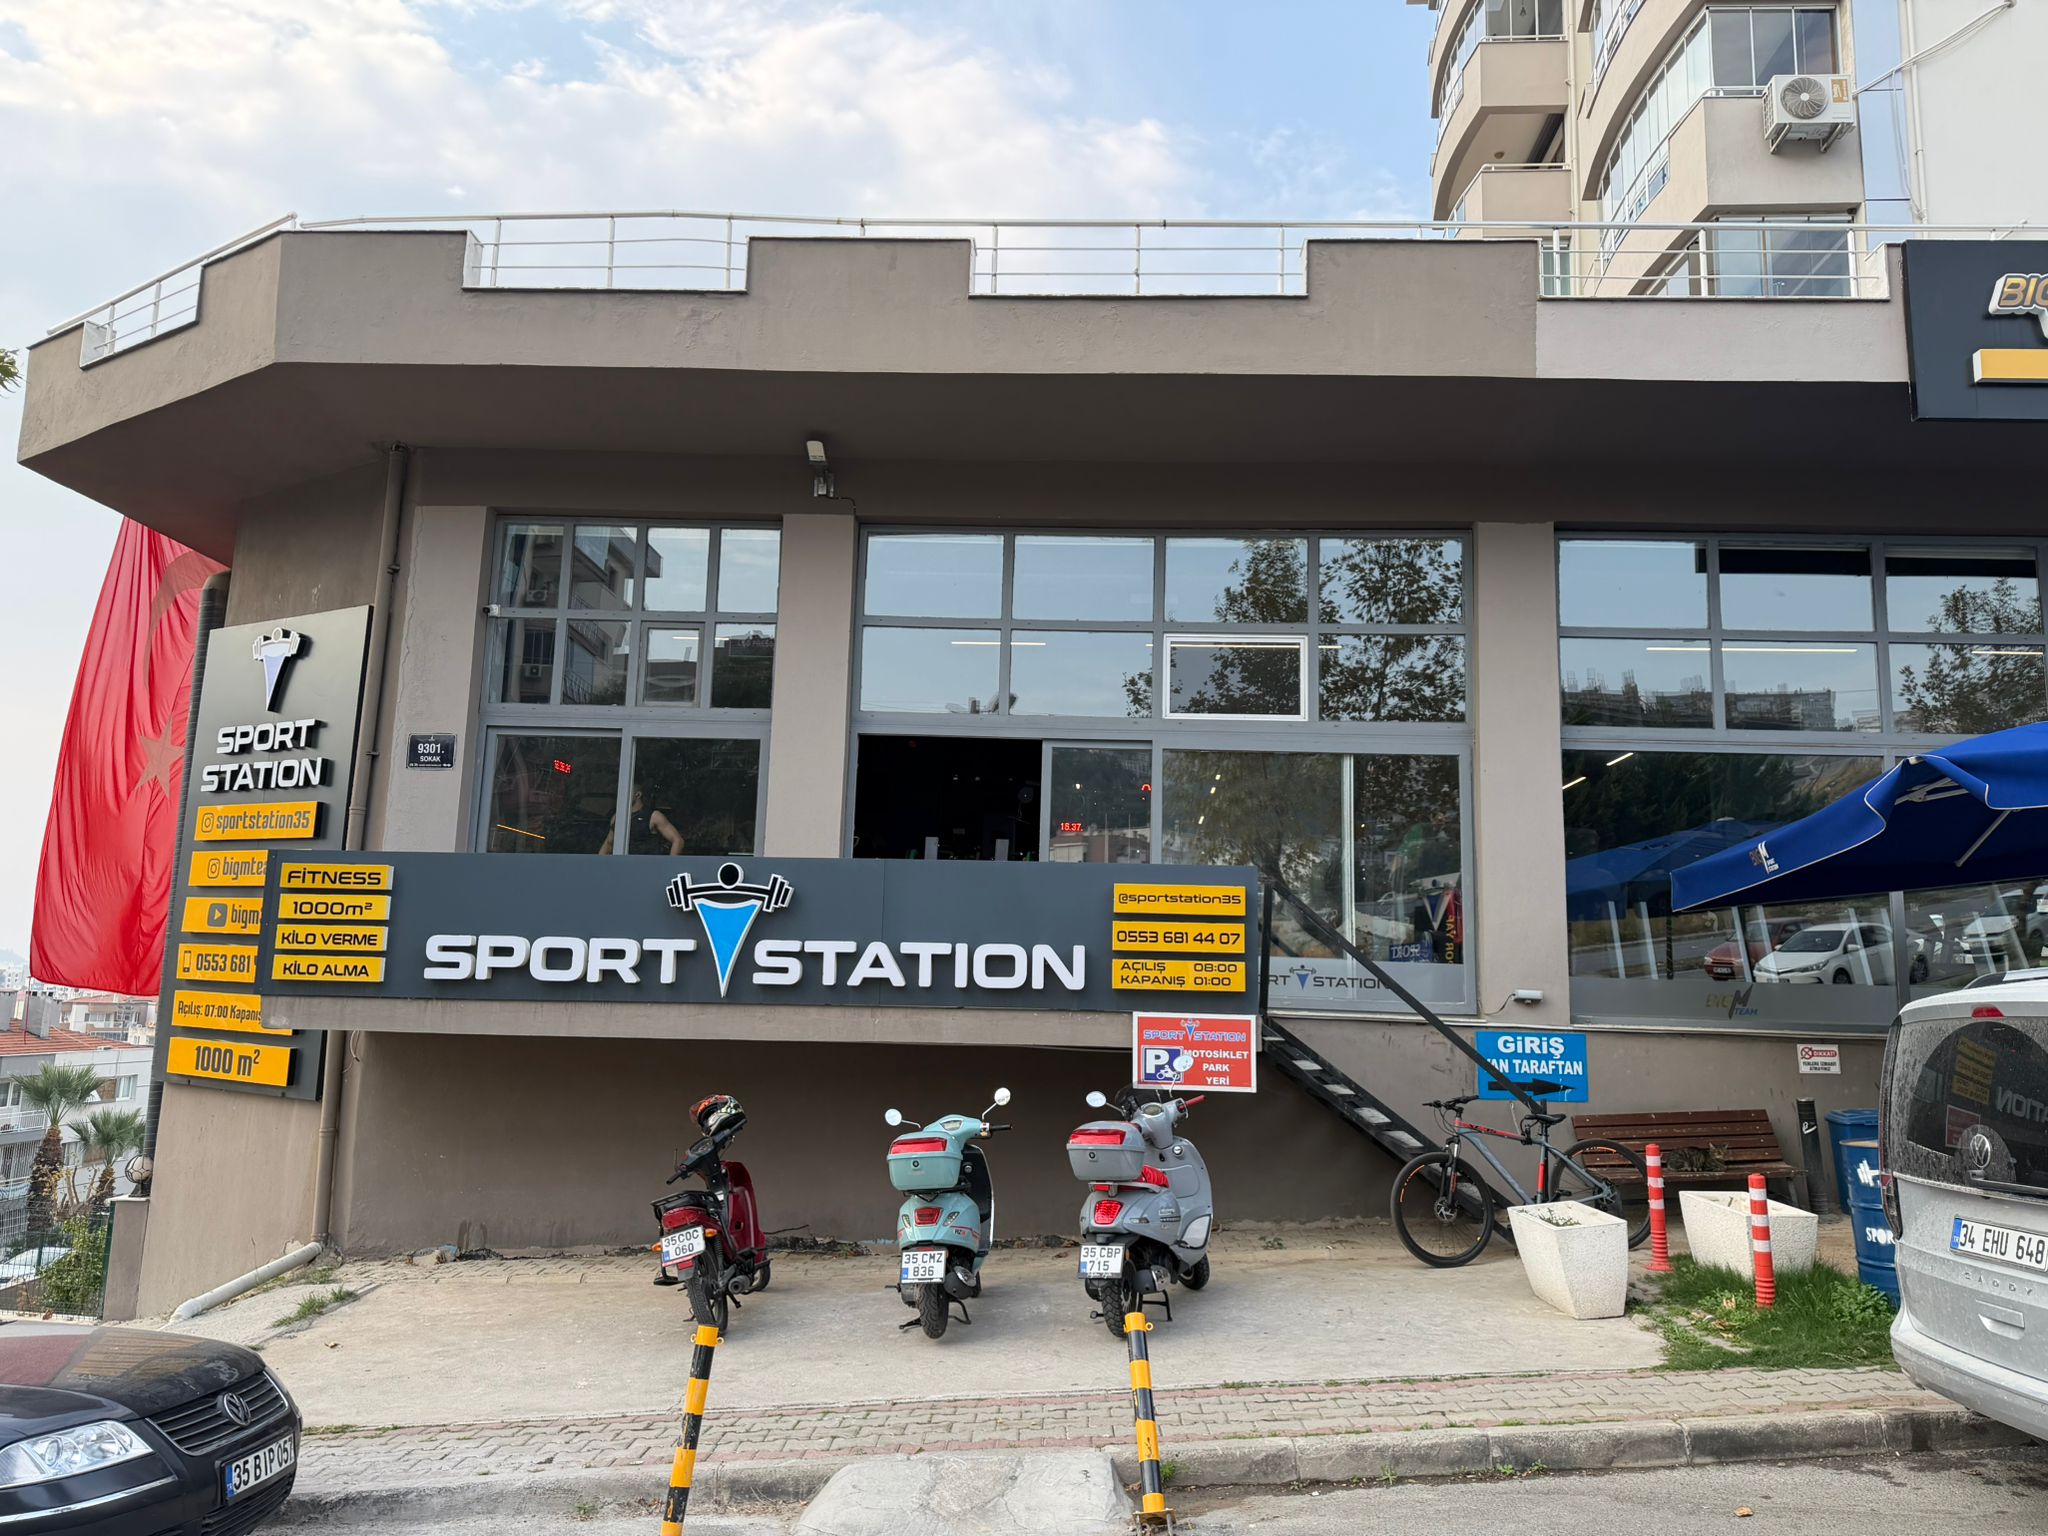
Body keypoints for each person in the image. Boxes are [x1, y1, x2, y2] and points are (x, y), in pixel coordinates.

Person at [600, 786, 685, 856]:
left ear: (638, 795)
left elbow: (678, 840)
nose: (621, 796)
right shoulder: (617, 817)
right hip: (624, 865)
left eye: (626, 792)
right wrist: (598, 866)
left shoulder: (653, 816)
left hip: (648, 866)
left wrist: (669, 866)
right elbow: (608, 844)